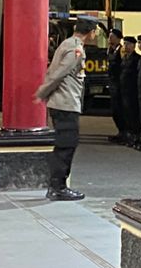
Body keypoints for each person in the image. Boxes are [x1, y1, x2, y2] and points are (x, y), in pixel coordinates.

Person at [34, 17, 96, 200]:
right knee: (66, 146)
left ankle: (57, 186)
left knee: (66, 145)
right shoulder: (75, 49)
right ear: (91, 32)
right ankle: (58, 187)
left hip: (64, 103)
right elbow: (59, 73)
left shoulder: (68, 43)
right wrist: (42, 92)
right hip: (66, 103)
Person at [116, 33, 141, 149]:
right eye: (124, 44)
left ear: (133, 46)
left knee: (133, 114)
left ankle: (136, 135)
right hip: (124, 90)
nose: (126, 46)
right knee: (126, 114)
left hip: (132, 91)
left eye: (128, 44)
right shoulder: (125, 57)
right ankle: (129, 135)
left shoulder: (137, 59)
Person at [105, 27, 128, 144]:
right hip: (113, 82)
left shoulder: (121, 50)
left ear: (118, 39)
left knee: (120, 109)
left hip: (119, 83)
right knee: (115, 110)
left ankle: (125, 133)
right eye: (109, 36)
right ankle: (121, 132)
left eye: (112, 37)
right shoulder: (110, 50)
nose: (109, 39)